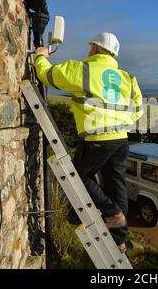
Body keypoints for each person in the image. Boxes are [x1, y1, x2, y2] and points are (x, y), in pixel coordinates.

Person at [34, 32, 143, 253]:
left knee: (78, 177)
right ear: (113, 54)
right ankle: (119, 239)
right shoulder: (128, 79)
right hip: (121, 139)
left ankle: (113, 214)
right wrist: (118, 121)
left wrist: (40, 56)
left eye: (91, 47)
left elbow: (49, 76)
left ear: (95, 49)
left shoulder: (84, 69)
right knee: (117, 185)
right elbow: (138, 111)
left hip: (96, 140)